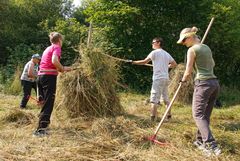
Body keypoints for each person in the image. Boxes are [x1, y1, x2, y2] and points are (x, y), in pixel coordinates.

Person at [177, 26, 221, 156]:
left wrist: (183, 81)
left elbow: (188, 71)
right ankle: (200, 140)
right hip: (214, 84)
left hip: (203, 84)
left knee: (197, 115)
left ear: (190, 37)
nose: (183, 44)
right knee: (204, 116)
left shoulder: (192, 50)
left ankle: (211, 145)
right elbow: (212, 64)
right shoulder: (206, 47)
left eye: (184, 41)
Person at [33, 32, 71, 137]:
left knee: (45, 103)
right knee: (49, 103)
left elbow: (50, 64)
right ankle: (41, 130)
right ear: (59, 40)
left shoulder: (47, 48)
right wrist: (62, 68)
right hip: (48, 78)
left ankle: (42, 125)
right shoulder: (57, 47)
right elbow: (54, 61)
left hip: (41, 77)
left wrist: (63, 68)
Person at [132, 37, 177, 121]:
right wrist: (167, 66)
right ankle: (169, 116)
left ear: (158, 43)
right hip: (165, 78)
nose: (152, 44)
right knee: (166, 98)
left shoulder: (154, 52)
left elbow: (144, 62)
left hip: (158, 79)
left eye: (153, 42)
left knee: (154, 99)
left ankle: (152, 119)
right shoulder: (166, 54)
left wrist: (133, 62)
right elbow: (174, 64)